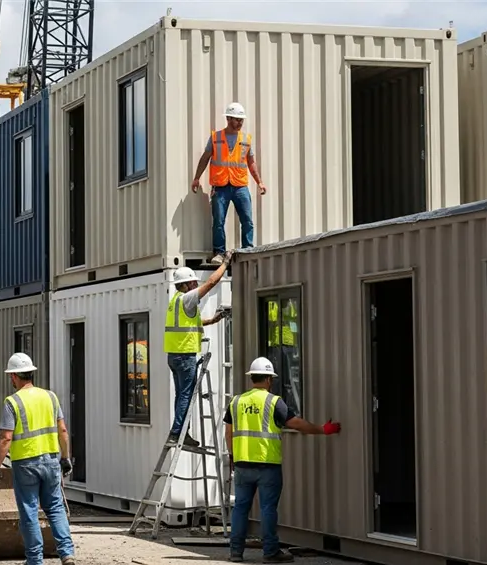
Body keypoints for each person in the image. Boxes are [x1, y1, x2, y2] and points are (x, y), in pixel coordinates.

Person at [224, 357, 342, 563]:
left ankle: (236, 553)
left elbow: (228, 431)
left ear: (252, 377)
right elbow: (296, 423)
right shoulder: (273, 401)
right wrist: (322, 429)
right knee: (268, 508)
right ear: (269, 379)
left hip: (242, 464)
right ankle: (270, 552)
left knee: (240, 508)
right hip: (267, 465)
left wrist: (233, 455)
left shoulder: (236, 401)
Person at [0, 353, 76, 565]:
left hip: (25, 463)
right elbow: (63, 430)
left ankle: (35, 560)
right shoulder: (51, 397)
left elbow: (5, 438)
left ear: (13, 377)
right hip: (50, 460)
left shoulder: (12, 401)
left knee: (29, 512)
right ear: (31, 373)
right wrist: (65, 457)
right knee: (55, 508)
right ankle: (67, 554)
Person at [164, 255, 232, 447]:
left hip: (174, 355)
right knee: (186, 395)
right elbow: (211, 283)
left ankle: (180, 432)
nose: (195, 285)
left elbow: (191, 323)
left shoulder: (176, 300)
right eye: (193, 282)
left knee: (181, 395)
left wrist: (212, 320)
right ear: (186, 284)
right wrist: (226, 263)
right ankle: (178, 433)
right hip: (185, 355)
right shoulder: (187, 298)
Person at [191, 102, 267, 264]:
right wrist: (197, 178)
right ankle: (219, 252)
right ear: (228, 118)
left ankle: (248, 250)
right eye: (237, 119)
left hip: (240, 186)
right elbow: (205, 158)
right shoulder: (216, 138)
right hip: (220, 187)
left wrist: (259, 182)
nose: (240, 123)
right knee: (218, 221)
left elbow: (251, 162)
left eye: (241, 120)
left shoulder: (246, 139)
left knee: (247, 220)